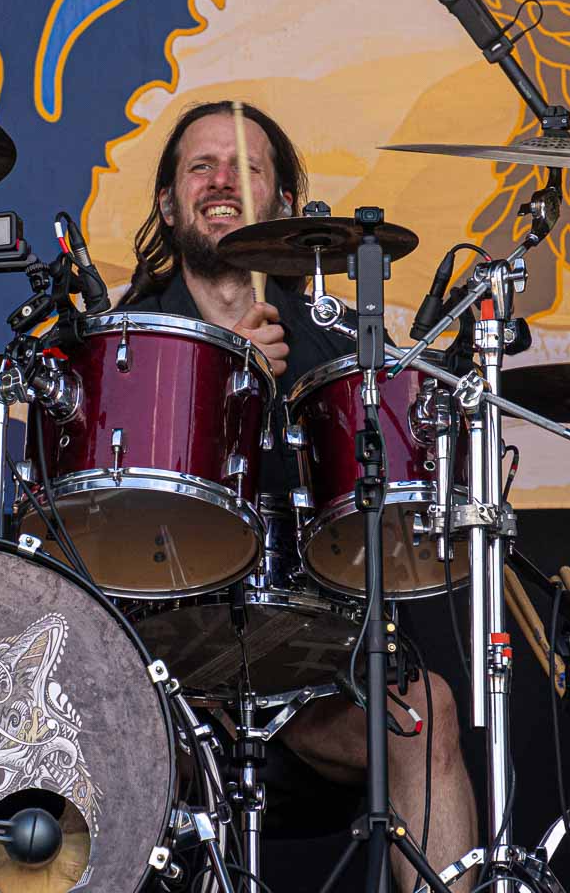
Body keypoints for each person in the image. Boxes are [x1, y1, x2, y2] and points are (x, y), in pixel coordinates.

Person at [119, 100, 477, 891]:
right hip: (167, 689)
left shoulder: (345, 344)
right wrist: (222, 370)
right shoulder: (128, 343)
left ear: (284, 204)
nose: (224, 182)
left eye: (247, 168)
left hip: (313, 685)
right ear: (168, 203)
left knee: (429, 711)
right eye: (202, 167)